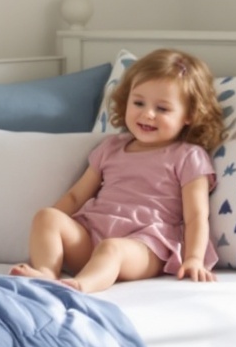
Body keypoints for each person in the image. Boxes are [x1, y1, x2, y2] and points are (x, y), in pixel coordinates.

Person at [11, 47, 224, 294]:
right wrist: (51, 230)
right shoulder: (111, 147)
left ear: (189, 115)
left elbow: (196, 216)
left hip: (144, 245)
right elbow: (76, 197)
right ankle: (47, 273)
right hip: (92, 236)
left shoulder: (188, 156)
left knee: (112, 248)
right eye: (138, 103)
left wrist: (194, 259)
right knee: (46, 216)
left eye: (162, 109)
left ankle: (79, 286)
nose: (147, 114)